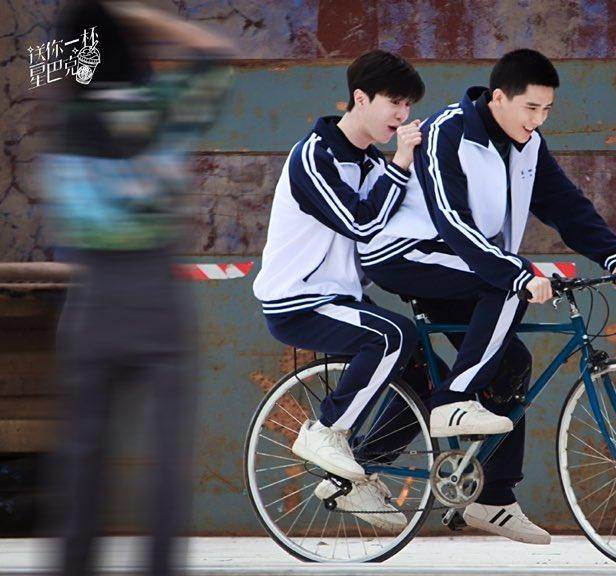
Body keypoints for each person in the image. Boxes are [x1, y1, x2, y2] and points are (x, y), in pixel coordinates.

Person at [357, 48, 616, 544]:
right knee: (507, 284)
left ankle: (489, 499)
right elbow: (451, 221)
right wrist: (514, 273)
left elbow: (566, 205)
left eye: (547, 110)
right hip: (406, 254)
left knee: (512, 364)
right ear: (498, 99)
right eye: (531, 108)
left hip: (465, 264)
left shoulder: (529, 145)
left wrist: (614, 255)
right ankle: (454, 400)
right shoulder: (447, 133)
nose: (538, 120)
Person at [40, 2, 234, 575]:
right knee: (167, 461)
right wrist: (135, 18)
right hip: (157, 295)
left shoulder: (67, 121)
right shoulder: (160, 107)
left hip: (92, 297)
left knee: (84, 458)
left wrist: (96, 23)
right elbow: (215, 54)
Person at [251, 50, 427, 531]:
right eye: (394, 102)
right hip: (297, 301)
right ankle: (325, 430)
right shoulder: (315, 155)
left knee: (428, 377)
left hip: (341, 300)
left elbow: (395, 225)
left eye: (408, 105)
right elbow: (362, 223)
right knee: (392, 336)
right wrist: (402, 162)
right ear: (360, 99)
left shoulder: (371, 164)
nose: (402, 115)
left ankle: (356, 478)